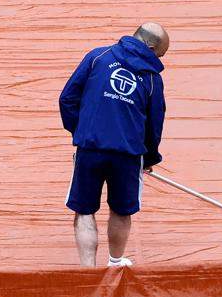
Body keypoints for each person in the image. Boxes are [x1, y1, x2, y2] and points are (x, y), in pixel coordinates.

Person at [58, 23, 169, 267]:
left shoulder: (98, 57)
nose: (159, 60)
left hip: (91, 149)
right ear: (150, 47)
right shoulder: (151, 79)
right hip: (127, 156)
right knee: (121, 210)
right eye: (159, 55)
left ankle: (88, 271)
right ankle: (115, 261)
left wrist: (82, 131)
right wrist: (149, 159)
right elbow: (154, 124)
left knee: (84, 210)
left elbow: (67, 98)